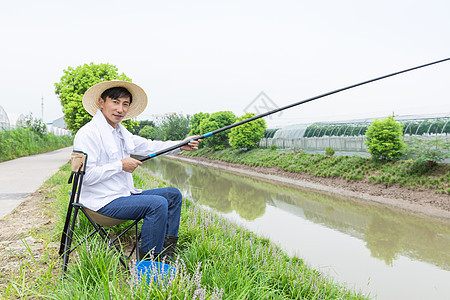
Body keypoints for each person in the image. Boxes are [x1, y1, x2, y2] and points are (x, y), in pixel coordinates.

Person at [73, 80, 200, 261]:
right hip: (100, 203)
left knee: (172, 195)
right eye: (115, 102)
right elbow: (87, 177)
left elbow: (149, 146)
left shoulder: (120, 133)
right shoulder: (88, 134)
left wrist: (181, 145)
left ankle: (166, 255)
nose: (120, 109)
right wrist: (120, 166)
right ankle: (149, 264)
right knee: (156, 204)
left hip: (122, 195)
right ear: (101, 102)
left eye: (125, 104)